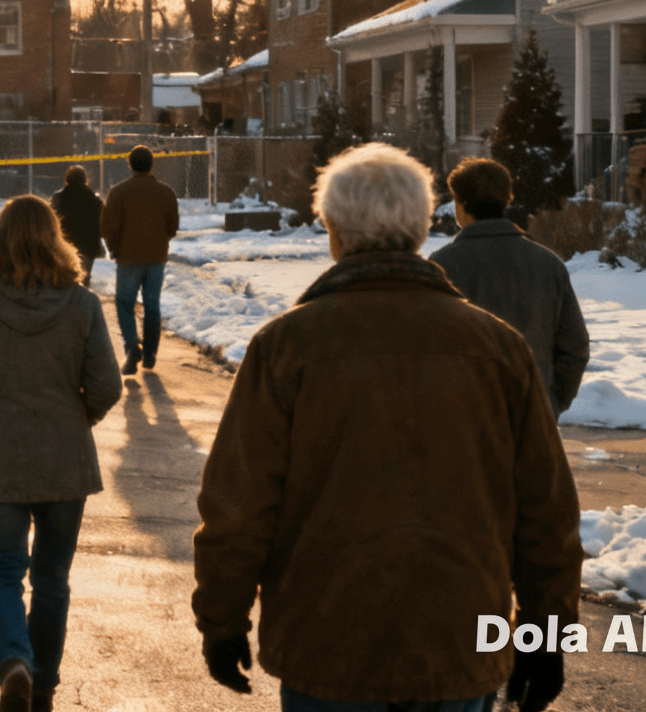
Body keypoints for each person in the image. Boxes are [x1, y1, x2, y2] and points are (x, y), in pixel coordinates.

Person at [192, 143, 582, 712]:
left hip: (326, 642)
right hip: (459, 641)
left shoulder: (287, 346)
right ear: (422, 229)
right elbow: (545, 510)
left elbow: (239, 504)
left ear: (334, 231)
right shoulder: (500, 349)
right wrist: (547, 639)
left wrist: (221, 621)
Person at [0, 195, 121, 712]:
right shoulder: (82, 303)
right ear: (55, 238)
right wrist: (77, 416)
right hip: (65, 458)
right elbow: (106, 385)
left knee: (0, 572)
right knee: (51, 578)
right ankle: (41, 683)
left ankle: (13, 659)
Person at [431, 157, 591, 419]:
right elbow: (574, 347)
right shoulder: (548, 264)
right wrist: (552, 403)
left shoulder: (441, 267)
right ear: (507, 199)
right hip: (533, 415)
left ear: (460, 204)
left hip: (463, 423)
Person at [99, 145, 179, 374]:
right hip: (156, 257)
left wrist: (114, 250)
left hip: (128, 257)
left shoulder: (118, 192)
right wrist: (161, 240)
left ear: (130, 164)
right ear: (151, 164)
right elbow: (172, 226)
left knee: (125, 303)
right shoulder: (166, 192)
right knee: (152, 305)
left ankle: (132, 345)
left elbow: (108, 227)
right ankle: (151, 353)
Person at [50, 165, 104, 285]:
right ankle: (83, 299)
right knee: (84, 277)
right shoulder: (95, 200)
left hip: (65, 243)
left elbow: (52, 221)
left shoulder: (58, 197)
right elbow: (102, 224)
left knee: (66, 277)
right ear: (85, 179)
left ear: (67, 178)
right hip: (89, 245)